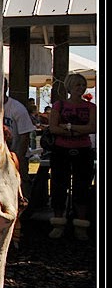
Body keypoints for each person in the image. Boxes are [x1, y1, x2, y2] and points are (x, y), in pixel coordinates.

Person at [47, 72, 96, 240]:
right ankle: (58, 223)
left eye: (83, 85)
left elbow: (93, 128)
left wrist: (67, 127)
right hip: (61, 151)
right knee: (59, 185)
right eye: (77, 85)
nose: (81, 88)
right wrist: (77, 129)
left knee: (82, 186)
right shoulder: (59, 105)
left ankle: (80, 225)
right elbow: (53, 128)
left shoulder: (91, 107)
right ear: (70, 87)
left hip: (83, 151)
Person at [2, 78, 33, 203]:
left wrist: (17, 158)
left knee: (21, 183)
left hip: (15, 152)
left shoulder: (17, 108)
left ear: (6, 88)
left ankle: (25, 210)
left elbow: (25, 135)